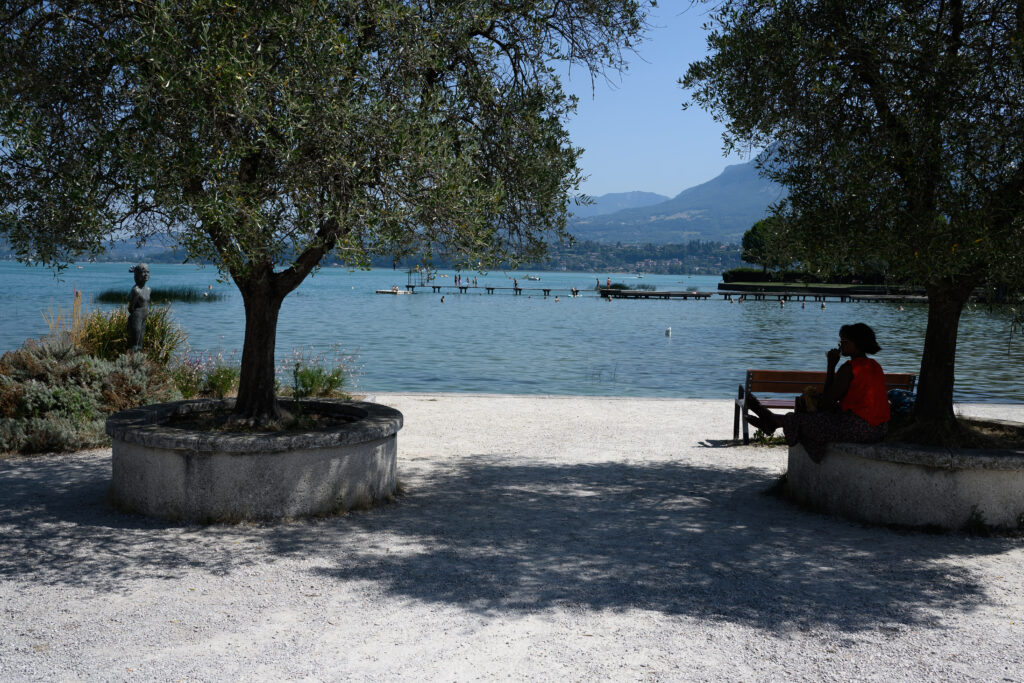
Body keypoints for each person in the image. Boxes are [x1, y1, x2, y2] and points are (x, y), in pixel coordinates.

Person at [745, 323, 890, 463]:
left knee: (803, 419)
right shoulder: (875, 366)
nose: (840, 345)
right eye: (840, 341)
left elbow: (826, 403)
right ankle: (771, 422)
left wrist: (831, 366)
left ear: (857, 344)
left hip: (860, 428)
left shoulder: (849, 368)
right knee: (809, 417)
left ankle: (772, 419)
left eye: (845, 342)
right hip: (880, 428)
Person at [127, 263, 151, 351]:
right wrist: (136, 315)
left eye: (148, 272)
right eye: (143, 272)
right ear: (137, 274)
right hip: (136, 317)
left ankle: (139, 357)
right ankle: (133, 358)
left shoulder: (148, 289)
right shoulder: (136, 290)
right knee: (135, 343)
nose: (146, 274)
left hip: (143, 317)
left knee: (140, 343)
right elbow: (131, 308)